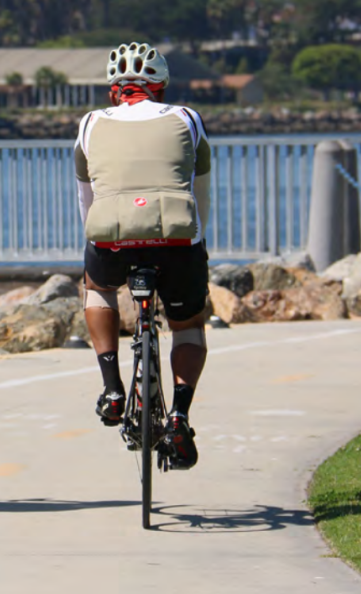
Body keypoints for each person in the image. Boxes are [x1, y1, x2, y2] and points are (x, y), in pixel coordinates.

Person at [73, 42, 211, 469]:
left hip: (110, 235)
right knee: (188, 326)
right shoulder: (187, 118)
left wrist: (96, 240)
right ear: (161, 88)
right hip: (177, 238)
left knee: (97, 290)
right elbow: (198, 189)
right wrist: (198, 241)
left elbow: (86, 198)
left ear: (115, 91)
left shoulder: (90, 123)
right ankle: (179, 417)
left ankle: (113, 389)